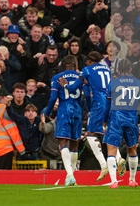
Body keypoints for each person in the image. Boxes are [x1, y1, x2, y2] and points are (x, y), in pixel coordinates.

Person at [63, 51, 113, 181]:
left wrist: (65, 85)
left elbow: (74, 87)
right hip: (110, 102)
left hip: (99, 103)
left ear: (90, 61)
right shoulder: (107, 70)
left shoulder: (87, 69)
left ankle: (103, 165)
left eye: (87, 61)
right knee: (107, 133)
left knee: (90, 134)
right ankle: (118, 159)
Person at [102, 58, 140, 188]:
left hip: (116, 118)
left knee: (111, 150)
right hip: (132, 119)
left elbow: (107, 106)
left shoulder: (113, 83)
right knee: (132, 149)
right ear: (131, 69)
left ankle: (114, 182)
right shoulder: (138, 83)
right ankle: (132, 180)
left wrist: (104, 123)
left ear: (117, 69)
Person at [44, 55, 84, 186]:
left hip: (64, 112)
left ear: (63, 64)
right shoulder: (80, 78)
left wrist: (47, 112)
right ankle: (73, 174)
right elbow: (87, 95)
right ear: (76, 65)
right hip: (77, 111)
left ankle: (70, 175)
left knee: (63, 144)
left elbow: (52, 98)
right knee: (74, 144)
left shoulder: (57, 78)